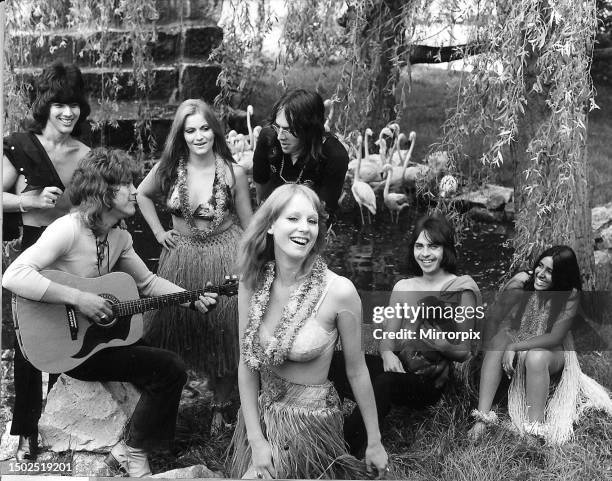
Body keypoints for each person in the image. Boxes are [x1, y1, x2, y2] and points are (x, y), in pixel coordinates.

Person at [2, 148, 218, 477]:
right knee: (169, 368)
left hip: (99, 338)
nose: (135, 191)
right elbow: (13, 275)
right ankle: (134, 450)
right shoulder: (68, 229)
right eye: (126, 184)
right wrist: (78, 298)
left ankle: (139, 445)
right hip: (72, 349)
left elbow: (148, 284)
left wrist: (190, 297)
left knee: (165, 356)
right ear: (103, 192)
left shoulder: (119, 237)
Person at [227, 184, 389, 479]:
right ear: (271, 225)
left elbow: (357, 371)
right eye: (293, 218)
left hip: (308, 427)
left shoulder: (339, 291)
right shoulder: (252, 281)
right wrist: (256, 439)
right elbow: (246, 364)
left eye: (312, 221)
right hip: (261, 419)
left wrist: (374, 441)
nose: (304, 228)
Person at [136, 99, 252, 433]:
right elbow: (141, 194)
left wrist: (250, 265)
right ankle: (166, 402)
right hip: (180, 256)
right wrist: (158, 232)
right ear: (181, 134)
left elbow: (248, 224)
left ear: (214, 130)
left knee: (224, 332)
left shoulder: (233, 172)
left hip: (223, 255)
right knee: (168, 328)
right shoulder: (170, 168)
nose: (198, 136)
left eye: (204, 128)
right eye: (190, 130)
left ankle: (220, 406)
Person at [333, 214, 482, 456]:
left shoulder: (461, 288)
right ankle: (326, 418)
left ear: (446, 249)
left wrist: (441, 343)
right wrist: (387, 354)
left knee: (384, 383)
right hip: (398, 366)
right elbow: (387, 340)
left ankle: (344, 450)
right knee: (336, 361)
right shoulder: (403, 287)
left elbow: (463, 352)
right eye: (419, 246)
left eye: (433, 246)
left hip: (427, 382)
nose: (425, 253)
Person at [2, 61, 91, 461]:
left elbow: (93, 209)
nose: (67, 112)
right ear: (45, 105)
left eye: (73, 104)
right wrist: (28, 200)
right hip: (32, 248)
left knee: (67, 339)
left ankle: (58, 423)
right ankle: (25, 433)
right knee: (27, 345)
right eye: (59, 104)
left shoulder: (86, 154)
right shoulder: (19, 145)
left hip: (71, 249)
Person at [468, 245, 612, 443]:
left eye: (550, 271)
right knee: (499, 340)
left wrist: (514, 347)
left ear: (561, 277)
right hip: (520, 337)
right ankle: (482, 418)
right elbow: (497, 318)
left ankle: (534, 430)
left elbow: (554, 338)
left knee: (536, 356)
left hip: (553, 351)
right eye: (540, 266)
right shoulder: (523, 281)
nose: (541, 274)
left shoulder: (570, 294)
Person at [252, 89, 349, 225]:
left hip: (311, 223)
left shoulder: (334, 155)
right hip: (272, 215)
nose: (280, 136)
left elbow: (323, 213)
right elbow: (260, 188)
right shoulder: (268, 138)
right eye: (277, 126)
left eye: (288, 129)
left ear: (309, 128)